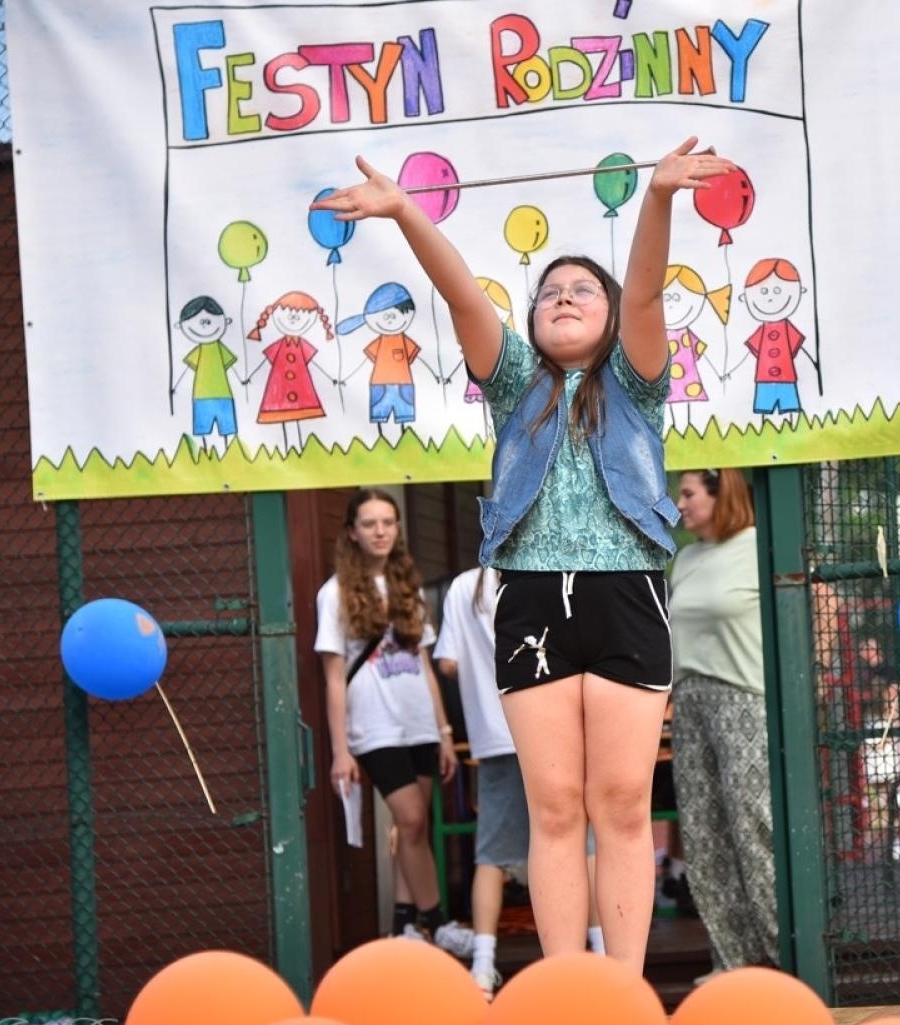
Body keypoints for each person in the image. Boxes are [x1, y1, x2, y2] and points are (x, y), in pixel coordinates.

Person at [315, 136, 735, 972]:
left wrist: (657, 200)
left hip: (626, 600)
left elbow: (647, 289)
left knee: (619, 805)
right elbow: (463, 295)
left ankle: (622, 985)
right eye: (550, 292)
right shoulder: (513, 384)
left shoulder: (637, 383)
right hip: (533, 603)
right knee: (553, 809)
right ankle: (568, 987)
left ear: (612, 319)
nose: (566, 297)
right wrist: (403, 212)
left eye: (585, 289)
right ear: (533, 321)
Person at [432, 565, 609, 999]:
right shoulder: (545, 574)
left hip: (493, 734)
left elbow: (449, 663)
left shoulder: (461, 587)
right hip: (553, 728)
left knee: (492, 852)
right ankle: (602, 956)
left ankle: (482, 966)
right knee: (579, 841)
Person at [316, 488, 473, 957]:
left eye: (388, 522)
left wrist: (444, 733)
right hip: (374, 725)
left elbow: (424, 664)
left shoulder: (408, 586)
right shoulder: (335, 593)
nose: (381, 531)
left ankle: (402, 924)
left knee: (414, 830)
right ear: (352, 532)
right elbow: (333, 678)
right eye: (370, 524)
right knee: (410, 818)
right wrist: (341, 750)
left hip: (419, 723)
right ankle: (438, 921)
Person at [668, 468, 778, 977]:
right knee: (705, 834)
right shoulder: (685, 560)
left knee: (754, 827)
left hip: (744, 701)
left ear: (721, 491)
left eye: (689, 493)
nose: (680, 503)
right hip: (689, 704)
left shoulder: (760, 546)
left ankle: (782, 954)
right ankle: (734, 960)